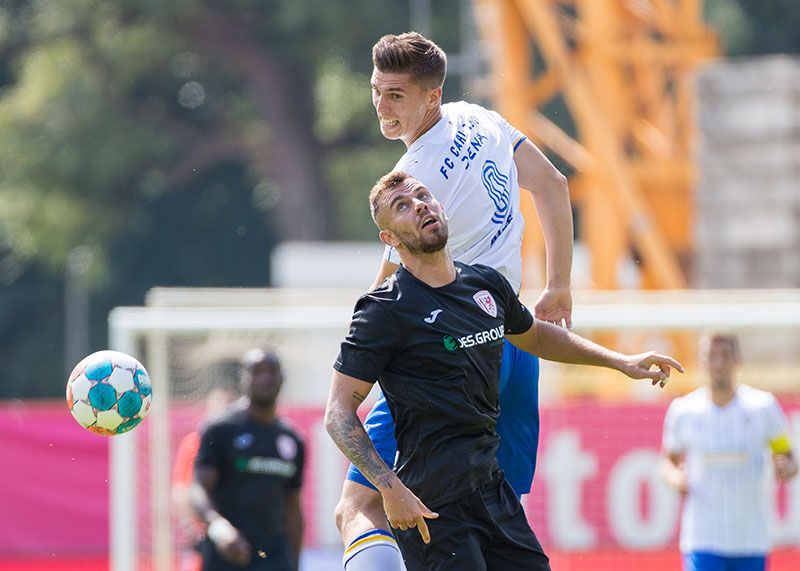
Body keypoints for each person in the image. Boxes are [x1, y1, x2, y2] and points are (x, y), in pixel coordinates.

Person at [326, 171, 683, 570]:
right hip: (434, 503)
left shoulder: (486, 285)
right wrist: (389, 488)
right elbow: (338, 413)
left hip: (493, 492)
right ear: (390, 240)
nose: (420, 206)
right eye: (403, 207)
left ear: (441, 207)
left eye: (423, 196)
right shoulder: (383, 310)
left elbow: (536, 338)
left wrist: (620, 361)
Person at [336, 31, 574, 570]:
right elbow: (554, 184)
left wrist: (359, 355)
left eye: (396, 94)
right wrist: (558, 284)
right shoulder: (479, 117)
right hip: (512, 340)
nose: (381, 104)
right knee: (496, 516)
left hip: (447, 356)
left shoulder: (413, 183)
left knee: (359, 505)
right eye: (376, 90)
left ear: (431, 97)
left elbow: (388, 290)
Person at [660, 332, 798, 571]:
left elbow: (788, 457)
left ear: (737, 360)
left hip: (751, 539)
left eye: (725, 356)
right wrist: (675, 478)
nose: (719, 363)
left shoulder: (763, 407)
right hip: (702, 539)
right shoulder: (684, 410)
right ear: (701, 362)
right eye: (712, 356)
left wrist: (786, 467)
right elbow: (668, 461)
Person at [191, 348, 305, 571]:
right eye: (257, 371)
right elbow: (197, 490)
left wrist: (296, 562)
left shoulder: (292, 440)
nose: (265, 377)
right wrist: (218, 527)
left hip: (275, 559)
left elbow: (293, 508)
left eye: (272, 371)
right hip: (228, 555)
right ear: (244, 377)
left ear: (282, 378)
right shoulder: (220, 429)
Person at [173, 384, 240, 571]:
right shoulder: (194, 443)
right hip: (205, 535)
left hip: (239, 533)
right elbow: (182, 489)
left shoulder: (241, 444)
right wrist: (193, 527)